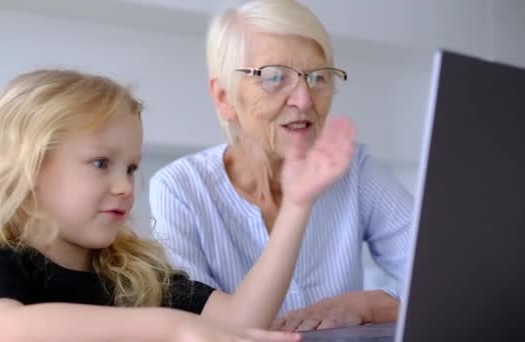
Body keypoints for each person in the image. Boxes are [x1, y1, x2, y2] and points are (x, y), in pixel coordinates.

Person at [0, 69, 355, 341]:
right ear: (27, 169)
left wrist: (296, 207)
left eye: (131, 167)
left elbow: (239, 322)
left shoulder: (133, 274)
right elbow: (4, 330)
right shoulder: (1, 266)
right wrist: (172, 327)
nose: (126, 186)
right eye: (101, 163)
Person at [149, 0, 413, 332]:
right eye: (274, 77)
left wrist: (367, 305)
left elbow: (442, 281)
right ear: (224, 98)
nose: (304, 100)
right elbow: (196, 330)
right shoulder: (180, 188)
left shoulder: (355, 169)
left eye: (318, 77)